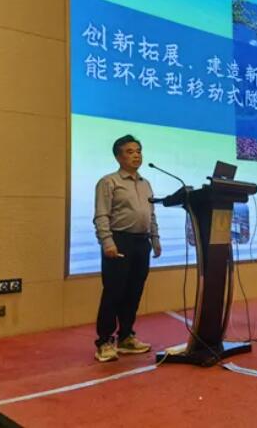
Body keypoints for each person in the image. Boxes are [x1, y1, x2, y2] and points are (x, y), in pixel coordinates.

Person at [93, 135, 162, 362]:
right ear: (118, 157)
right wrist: (107, 242)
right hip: (119, 241)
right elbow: (101, 215)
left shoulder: (146, 183)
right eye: (130, 151)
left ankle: (125, 337)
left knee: (134, 292)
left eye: (139, 151)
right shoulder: (108, 182)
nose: (136, 155)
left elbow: (151, 215)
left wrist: (155, 240)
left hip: (142, 242)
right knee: (114, 292)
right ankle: (104, 341)